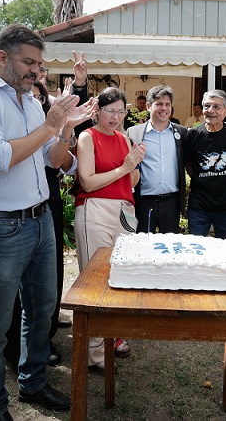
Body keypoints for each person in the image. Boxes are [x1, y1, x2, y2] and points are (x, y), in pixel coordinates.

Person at [0, 24, 93, 420]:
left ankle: (32, 382)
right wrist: (51, 125)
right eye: (28, 62)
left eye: (39, 63)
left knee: (42, 309)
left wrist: (65, 131)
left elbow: (54, 160)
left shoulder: (32, 102)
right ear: (2, 58)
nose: (36, 70)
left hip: (40, 220)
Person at [4, 81, 77, 371]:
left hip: (47, 204)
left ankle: (44, 337)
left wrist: (65, 132)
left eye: (39, 97)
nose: (34, 101)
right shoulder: (11, 123)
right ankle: (13, 346)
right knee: (15, 286)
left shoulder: (49, 127)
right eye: (29, 96)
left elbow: (60, 163)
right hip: (12, 210)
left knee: (49, 277)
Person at [74, 86, 145, 368]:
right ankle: (94, 351)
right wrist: (125, 168)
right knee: (95, 278)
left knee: (119, 274)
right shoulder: (87, 137)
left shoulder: (124, 139)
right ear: (98, 111)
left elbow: (132, 181)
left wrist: (134, 164)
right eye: (110, 111)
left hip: (124, 211)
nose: (116, 117)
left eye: (121, 111)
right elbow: (88, 181)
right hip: (95, 209)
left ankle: (112, 336)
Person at [184, 89, 226, 244]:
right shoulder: (193, 135)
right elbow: (188, 164)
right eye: (207, 106)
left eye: (216, 107)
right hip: (199, 207)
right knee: (196, 250)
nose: (210, 111)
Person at [127, 85, 187, 234]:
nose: (164, 108)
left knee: (170, 245)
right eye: (159, 104)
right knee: (143, 244)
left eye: (167, 104)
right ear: (148, 106)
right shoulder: (134, 133)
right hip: (144, 202)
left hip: (171, 202)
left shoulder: (181, 133)